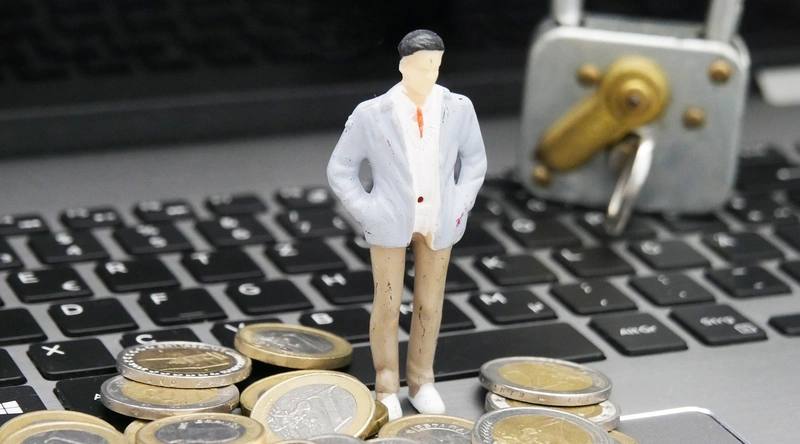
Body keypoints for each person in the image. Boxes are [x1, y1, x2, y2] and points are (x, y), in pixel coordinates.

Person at [327, 29, 487, 420]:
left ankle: (422, 380)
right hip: (389, 223)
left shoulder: (458, 108)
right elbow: (341, 169)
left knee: (429, 305)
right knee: (387, 305)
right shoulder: (371, 114)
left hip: (439, 221)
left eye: (436, 65)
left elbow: (475, 161)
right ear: (402, 66)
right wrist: (367, 210)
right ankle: (386, 385)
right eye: (421, 65)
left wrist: (460, 204)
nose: (429, 73)